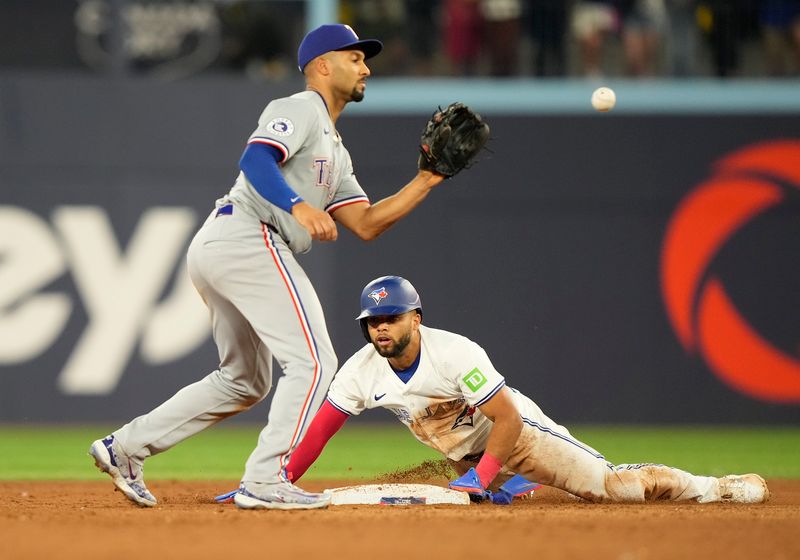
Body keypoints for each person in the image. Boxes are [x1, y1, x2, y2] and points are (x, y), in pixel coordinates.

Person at [89, 25, 449, 510]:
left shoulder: (336, 149)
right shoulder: (301, 108)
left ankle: (126, 448)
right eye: (354, 58)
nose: (366, 67)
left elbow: (364, 223)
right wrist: (299, 205)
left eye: (366, 60)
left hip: (226, 245)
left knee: (244, 380)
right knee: (315, 362)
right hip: (249, 235)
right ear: (322, 65)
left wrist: (426, 181)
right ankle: (264, 480)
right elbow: (257, 159)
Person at [279, 275, 770, 505]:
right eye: (373, 321)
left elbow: (508, 418)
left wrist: (480, 475)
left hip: (518, 435)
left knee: (612, 490)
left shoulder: (454, 352)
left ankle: (715, 487)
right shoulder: (360, 370)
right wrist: (274, 482)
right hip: (466, 454)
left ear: (416, 319)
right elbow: (319, 435)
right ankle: (511, 484)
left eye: (391, 317)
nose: (381, 328)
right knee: (484, 499)